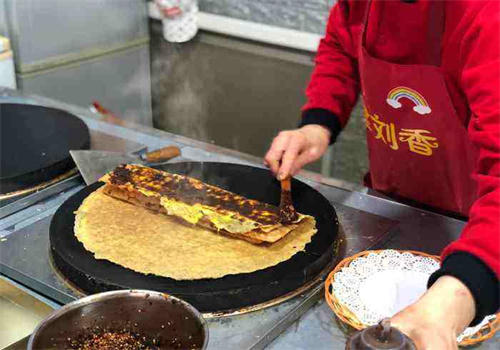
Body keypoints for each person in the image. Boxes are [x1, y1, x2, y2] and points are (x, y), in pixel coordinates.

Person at [264, 0, 499, 348]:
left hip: (477, 231)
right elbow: (340, 50)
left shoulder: (485, 16)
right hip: (388, 203)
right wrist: (318, 123)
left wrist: (457, 299)